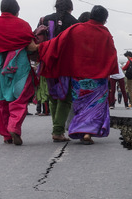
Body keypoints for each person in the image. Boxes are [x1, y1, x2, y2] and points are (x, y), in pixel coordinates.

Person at [38, 5, 118, 144]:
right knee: (95, 106)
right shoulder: (105, 33)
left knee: (81, 106)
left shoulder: (76, 29)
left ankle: (81, 130)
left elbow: (57, 43)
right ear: (104, 20)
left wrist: (39, 48)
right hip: (98, 79)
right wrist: (107, 71)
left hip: (78, 77)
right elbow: (112, 55)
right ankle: (88, 133)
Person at [0, 0, 38, 145]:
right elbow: (31, 47)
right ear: (17, 11)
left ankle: (6, 135)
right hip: (19, 65)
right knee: (19, 98)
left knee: (1, 100)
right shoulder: (22, 24)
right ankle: (14, 126)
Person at [38, 0, 78, 142]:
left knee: (53, 96)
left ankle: (57, 128)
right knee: (65, 98)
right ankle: (58, 131)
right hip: (66, 65)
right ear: (70, 8)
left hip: (48, 63)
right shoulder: (74, 23)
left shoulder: (45, 19)